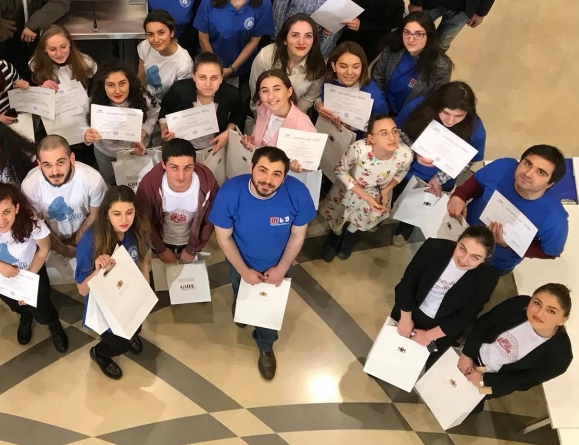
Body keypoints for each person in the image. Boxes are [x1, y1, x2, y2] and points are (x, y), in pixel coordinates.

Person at [210, 146, 316, 380]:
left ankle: (266, 345)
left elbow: (298, 235)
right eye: (262, 170)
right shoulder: (230, 192)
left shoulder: (298, 194)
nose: (268, 180)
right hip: (240, 262)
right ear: (251, 168)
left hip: (277, 266)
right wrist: (244, 271)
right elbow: (224, 238)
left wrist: (281, 268)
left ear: (285, 177)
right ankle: (241, 306)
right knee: (239, 288)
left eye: (276, 174)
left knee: (268, 313)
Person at [0, 182, 70, 352]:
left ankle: (53, 324)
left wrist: (26, 282)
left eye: (6, 212)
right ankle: (25, 316)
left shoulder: (32, 224)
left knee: (42, 308)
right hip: (0, 274)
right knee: (14, 304)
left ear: (16, 208)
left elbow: (43, 250)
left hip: (31, 271)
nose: (1, 220)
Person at [447, 145, 568, 274]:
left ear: (550, 183)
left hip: (494, 262)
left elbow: (550, 252)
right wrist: (460, 195)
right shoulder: (503, 167)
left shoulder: (555, 218)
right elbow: (478, 181)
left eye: (540, 172)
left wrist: (511, 245)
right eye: (527, 163)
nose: (528, 174)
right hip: (460, 232)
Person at [393, 82, 486, 245]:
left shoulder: (476, 129)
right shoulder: (417, 107)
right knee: (392, 194)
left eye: (459, 116)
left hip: (438, 181)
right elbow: (397, 131)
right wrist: (413, 151)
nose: (450, 121)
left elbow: (468, 161)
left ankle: (406, 225)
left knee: (417, 207)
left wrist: (439, 179)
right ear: (437, 105)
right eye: (446, 113)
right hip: (403, 169)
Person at [75, 185, 152, 379]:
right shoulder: (90, 241)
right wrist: (98, 271)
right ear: (106, 214)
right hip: (106, 306)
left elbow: (143, 259)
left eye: (129, 212)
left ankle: (131, 335)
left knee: (136, 327)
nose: (124, 220)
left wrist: (145, 293)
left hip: (130, 297)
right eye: (117, 214)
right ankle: (99, 353)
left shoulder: (138, 229)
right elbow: (82, 289)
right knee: (118, 344)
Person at [391, 226, 499, 362]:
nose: (464, 260)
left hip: (443, 327)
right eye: (462, 249)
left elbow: (466, 316)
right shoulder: (434, 247)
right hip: (408, 309)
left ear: (485, 259)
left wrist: (429, 336)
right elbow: (408, 282)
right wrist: (406, 318)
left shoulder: (487, 278)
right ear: (458, 241)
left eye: (475, 257)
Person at [320, 114, 413, 261]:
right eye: (384, 133)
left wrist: (386, 190)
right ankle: (335, 235)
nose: (392, 137)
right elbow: (340, 170)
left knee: (362, 217)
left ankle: (350, 234)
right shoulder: (359, 149)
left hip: (378, 193)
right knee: (341, 213)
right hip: (351, 189)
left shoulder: (405, 154)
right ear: (371, 138)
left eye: (395, 131)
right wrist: (366, 197)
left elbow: (402, 172)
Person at [458, 284, 573, 403]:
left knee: (464, 402)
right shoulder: (519, 305)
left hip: (494, 381)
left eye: (551, 311)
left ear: (563, 320)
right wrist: (467, 354)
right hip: (473, 353)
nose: (539, 313)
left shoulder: (560, 356)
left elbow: (522, 380)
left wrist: (484, 380)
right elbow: (486, 323)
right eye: (537, 303)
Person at [194, 0, 274, 87]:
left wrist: (232, 69)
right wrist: (214, 69)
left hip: (241, 66)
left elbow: (254, 41)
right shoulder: (209, 1)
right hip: (211, 61)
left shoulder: (263, 3)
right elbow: (203, 40)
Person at [22, 135, 107, 257]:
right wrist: (63, 249)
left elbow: (96, 215)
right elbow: (37, 223)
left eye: (60, 162)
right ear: (39, 164)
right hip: (48, 243)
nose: (55, 172)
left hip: (87, 238)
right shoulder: (30, 185)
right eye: (47, 165)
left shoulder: (93, 180)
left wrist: (75, 241)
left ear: (72, 159)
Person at [136, 138, 218, 263]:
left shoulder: (208, 185)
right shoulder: (149, 185)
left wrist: (192, 249)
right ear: (163, 164)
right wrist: (160, 249)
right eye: (174, 167)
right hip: (161, 241)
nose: (181, 176)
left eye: (187, 168)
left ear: (194, 164)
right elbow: (145, 221)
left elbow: (210, 221)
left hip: (192, 241)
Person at [83, 60, 159, 185]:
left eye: (122, 83)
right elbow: (83, 125)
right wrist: (86, 135)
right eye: (111, 85)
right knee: (110, 182)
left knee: (138, 183)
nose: (118, 91)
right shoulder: (92, 103)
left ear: (130, 82)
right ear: (103, 86)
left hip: (136, 151)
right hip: (106, 153)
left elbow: (154, 113)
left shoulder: (144, 98)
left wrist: (143, 132)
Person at [371, 11, 453, 122]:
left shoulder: (441, 67)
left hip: (410, 118)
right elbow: (378, 76)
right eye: (407, 33)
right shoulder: (393, 49)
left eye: (418, 34)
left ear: (429, 36)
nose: (411, 39)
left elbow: (433, 101)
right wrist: (382, 109)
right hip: (381, 108)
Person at [160, 52, 245, 153]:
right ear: (193, 76)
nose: (208, 84)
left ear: (221, 78)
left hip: (215, 148)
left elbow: (239, 114)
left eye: (214, 78)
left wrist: (228, 132)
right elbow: (165, 108)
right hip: (182, 147)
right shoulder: (179, 89)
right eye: (202, 77)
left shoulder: (231, 94)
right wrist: (164, 127)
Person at [249, 14, 325, 115]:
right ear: (285, 40)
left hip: (296, 115)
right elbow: (256, 94)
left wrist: (289, 116)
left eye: (308, 36)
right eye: (295, 35)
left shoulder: (317, 63)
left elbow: (309, 98)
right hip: (263, 113)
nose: (301, 42)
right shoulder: (265, 56)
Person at [242, 69, 318, 170]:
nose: (270, 96)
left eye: (277, 89)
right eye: (265, 91)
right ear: (259, 94)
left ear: (289, 92)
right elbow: (260, 139)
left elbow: (311, 164)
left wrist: (301, 168)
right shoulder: (262, 107)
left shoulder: (303, 125)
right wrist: (251, 141)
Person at [313, 42, 390, 134]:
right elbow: (317, 96)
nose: (349, 72)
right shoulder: (329, 81)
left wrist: (349, 127)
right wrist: (318, 104)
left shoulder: (376, 98)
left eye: (355, 67)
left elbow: (382, 128)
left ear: (362, 67)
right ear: (334, 66)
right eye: (343, 66)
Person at [138, 10, 193, 104]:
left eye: (161, 33)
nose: (156, 39)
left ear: (171, 32)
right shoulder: (145, 46)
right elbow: (141, 78)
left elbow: (182, 97)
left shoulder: (184, 63)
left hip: (169, 106)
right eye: (150, 34)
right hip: (147, 101)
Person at [28, 25, 97, 88]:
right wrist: (41, 88)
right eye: (52, 49)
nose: (59, 54)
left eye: (63, 47)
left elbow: (95, 91)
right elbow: (30, 92)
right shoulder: (36, 64)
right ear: (44, 49)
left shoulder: (86, 63)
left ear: (70, 43)